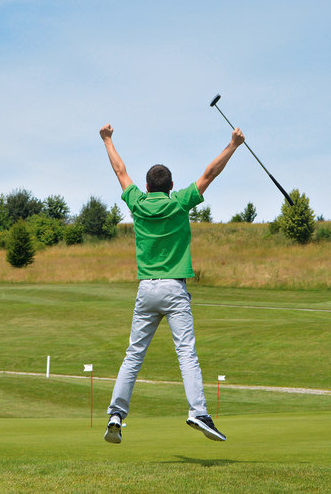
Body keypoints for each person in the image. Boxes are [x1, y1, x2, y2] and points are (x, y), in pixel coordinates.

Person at [99, 122, 245, 444]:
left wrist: (108, 139)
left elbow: (120, 171)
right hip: (174, 290)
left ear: (149, 188)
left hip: (146, 290)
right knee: (186, 354)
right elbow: (209, 174)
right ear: (170, 186)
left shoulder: (137, 202)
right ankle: (197, 412)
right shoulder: (179, 202)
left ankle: (115, 415)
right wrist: (233, 145)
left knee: (133, 355)